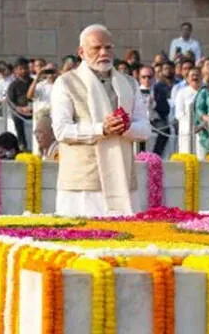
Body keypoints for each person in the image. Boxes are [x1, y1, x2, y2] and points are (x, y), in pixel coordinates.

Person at [50, 24, 151, 217]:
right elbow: (61, 131)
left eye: (108, 47)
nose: (104, 52)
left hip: (122, 179)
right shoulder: (65, 83)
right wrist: (101, 129)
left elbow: (145, 129)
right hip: (84, 184)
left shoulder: (129, 83)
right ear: (81, 52)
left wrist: (126, 127)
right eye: (96, 48)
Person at [7, 57, 34, 150]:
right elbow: (10, 101)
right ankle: (22, 144)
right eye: (21, 69)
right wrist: (19, 109)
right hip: (19, 112)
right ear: (16, 70)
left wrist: (31, 108)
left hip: (33, 110)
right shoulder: (13, 85)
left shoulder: (33, 82)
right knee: (17, 118)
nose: (24, 71)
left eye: (25, 68)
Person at [175, 67, 202, 153]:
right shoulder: (182, 93)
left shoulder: (206, 92)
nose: (195, 77)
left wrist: (201, 126)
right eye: (192, 75)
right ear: (187, 78)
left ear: (201, 77)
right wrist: (191, 126)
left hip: (203, 129)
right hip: (186, 130)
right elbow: (179, 114)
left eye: (197, 75)